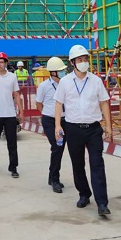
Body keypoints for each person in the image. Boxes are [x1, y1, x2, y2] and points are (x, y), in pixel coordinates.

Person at [54, 44, 113, 216]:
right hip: (73, 128)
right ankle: (84, 194)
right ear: (72, 62)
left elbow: (104, 102)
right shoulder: (65, 82)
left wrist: (108, 125)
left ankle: (102, 203)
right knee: (77, 163)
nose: (83, 62)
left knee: (97, 163)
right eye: (80, 59)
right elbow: (58, 103)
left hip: (93, 128)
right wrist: (57, 125)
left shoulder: (96, 81)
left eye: (85, 59)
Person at [0, 52, 23, 178]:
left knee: (12, 143)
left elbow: (16, 94)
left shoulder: (12, 77)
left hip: (9, 114)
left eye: (1, 62)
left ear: (6, 63)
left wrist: (21, 111)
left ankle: (13, 167)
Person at [35, 56, 68, 194]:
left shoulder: (66, 83)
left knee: (60, 148)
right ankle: (55, 179)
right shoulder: (44, 86)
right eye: (60, 71)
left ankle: (51, 176)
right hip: (49, 120)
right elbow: (38, 103)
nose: (63, 72)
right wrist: (46, 115)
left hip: (65, 119)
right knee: (56, 146)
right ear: (53, 72)